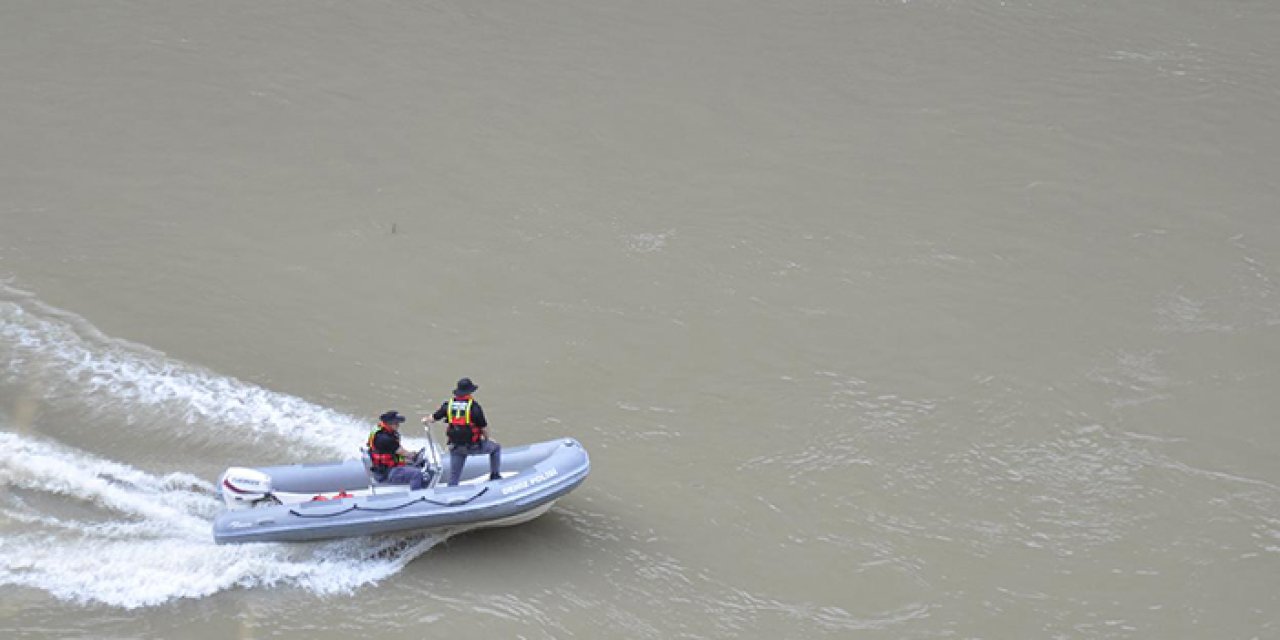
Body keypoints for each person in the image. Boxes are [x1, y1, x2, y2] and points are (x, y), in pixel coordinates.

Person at [423, 377, 502, 486]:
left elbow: (433, 418)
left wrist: (425, 420)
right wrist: (488, 439)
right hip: (473, 446)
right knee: (496, 448)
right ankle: (495, 476)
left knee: (454, 477)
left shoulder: (448, 406)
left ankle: (451, 490)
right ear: (469, 392)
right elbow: (483, 428)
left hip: (455, 447)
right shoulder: (475, 408)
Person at [367, 410, 431, 490]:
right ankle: (417, 497)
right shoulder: (385, 438)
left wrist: (411, 458)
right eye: (396, 423)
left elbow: (394, 455)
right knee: (416, 474)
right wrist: (415, 455)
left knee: (412, 464)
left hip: (385, 468)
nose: (398, 425)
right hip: (387, 473)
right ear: (389, 424)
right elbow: (404, 453)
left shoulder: (381, 432)